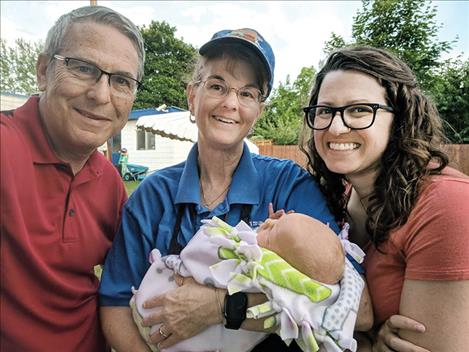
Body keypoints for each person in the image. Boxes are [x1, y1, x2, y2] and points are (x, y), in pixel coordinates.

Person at [99, 28, 372, 352]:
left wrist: (223, 306)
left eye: (247, 93)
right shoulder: (153, 196)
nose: (231, 103)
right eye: (217, 86)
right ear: (192, 95)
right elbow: (115, 306)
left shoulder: (289, 186)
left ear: (259, 111)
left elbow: (356, 306)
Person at [301, 46, 469, 351]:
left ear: (399, 118)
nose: (336, 127)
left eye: (360, 110)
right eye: (325, 110)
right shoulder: (336, 200)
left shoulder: (447, 205)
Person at [0, 5, 144, 351]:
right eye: (82, 68)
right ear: (43, 72)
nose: (100, 95)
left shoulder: (109, 182)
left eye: (121, 81)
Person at [131, 212, 365, 352]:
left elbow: (204, 254)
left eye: (272, 234)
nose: (269, 222)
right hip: (155, 314)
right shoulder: (155, 190)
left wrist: (219, 305)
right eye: (280, 219)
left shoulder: (261, 269)